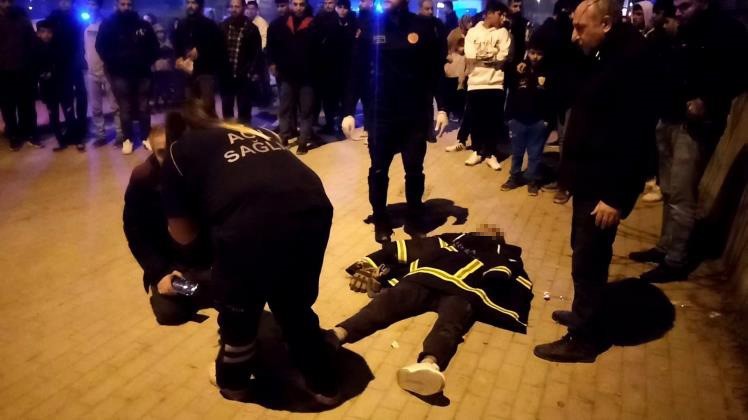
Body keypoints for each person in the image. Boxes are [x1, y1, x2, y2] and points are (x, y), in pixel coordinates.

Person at [159, 101, 340, 405]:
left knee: (238, 309)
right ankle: (324, 385)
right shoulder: (255, 131)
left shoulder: (178, 151)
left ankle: (235, 383)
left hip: (249, 222)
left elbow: (183, 234)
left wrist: (209, 257)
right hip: (313, 207)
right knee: (294, 303)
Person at [533, 0, 654, 363]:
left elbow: (636, 136)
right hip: (591, 179)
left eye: (580, 28)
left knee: (590, 258)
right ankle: (584, 313)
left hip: (606, 186)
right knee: (585, 252)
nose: (575, 36)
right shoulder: (603, 54)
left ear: (606, 24)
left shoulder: (631, 61)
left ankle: (585, 338)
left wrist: (616, 197)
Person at [630, 0, 748, 283]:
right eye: (677, 7)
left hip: (696, 125)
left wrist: (708, 101)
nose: (678, 12)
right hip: (669, 115)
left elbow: (738, 76)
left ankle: (676, 260)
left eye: (685, 6)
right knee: (669, 190)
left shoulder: (727, 30)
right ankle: (665, 246)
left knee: (682, 194)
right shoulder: (684, 30)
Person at [331, 231, 532, 396]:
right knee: (388, 304)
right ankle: (337, 334)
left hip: (461, 291)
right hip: (431, 281)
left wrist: (497, 275)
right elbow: (401, 249)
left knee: (449, 323)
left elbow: (505, 275)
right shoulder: (452, 241)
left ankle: (428, 366)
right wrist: (367, 267)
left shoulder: (505, 256)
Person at [341, 0, 449, 243]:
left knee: (414, 169)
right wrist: (348, 110)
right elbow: (356, 71)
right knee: (379, 169)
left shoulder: (423, 26)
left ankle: (415, 218)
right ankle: (381, 219)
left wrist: (442, 107)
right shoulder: (369, 26)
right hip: (381, 112)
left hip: (414, 113)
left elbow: (434, 71)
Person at [123, 124, 214, 326]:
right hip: (173, 263)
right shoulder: (143, 180)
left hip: (207, 258)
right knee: (168, 312)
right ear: (152, 151)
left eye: (175, 149)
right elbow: (136, 234)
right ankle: (202, 291)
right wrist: (160, 273)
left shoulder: (203, 171)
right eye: (162, 152)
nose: (170, 158)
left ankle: (207, 290)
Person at [96, 0, 159, 154]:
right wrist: (115, 63)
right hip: (120, 74)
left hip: (142, 73)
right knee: (125, 108)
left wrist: (146, 61)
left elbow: (154, 46)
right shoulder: (108, 25)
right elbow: (101, 47)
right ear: (117, 5)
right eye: (122, 4)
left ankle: (146, 137)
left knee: (144, 107)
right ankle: (127, 139)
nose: (126, 7)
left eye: (129, 4)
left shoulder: (143, 25)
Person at [502, 34, 553, 196]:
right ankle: (514, 177)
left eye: (539, 53)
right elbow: (511, 93)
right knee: (517, 152)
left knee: (535, 154)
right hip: (518, 119)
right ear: (527, 52)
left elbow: (551, 98)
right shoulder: (519, 70)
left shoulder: (548, 72)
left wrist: (547, 120)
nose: (535, 57)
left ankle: (533, 180)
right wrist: (509, 117)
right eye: (532, 53)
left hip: (538, 121)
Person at [462, 0, 511, 171]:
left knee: (493, 120)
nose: (503, 18)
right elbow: (470, 57)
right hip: (475, 83)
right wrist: (491, 57)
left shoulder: (503, 32)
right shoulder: (472, 32)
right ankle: (477, 150)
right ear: (490, 13)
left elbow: (503, 57)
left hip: (495, 83)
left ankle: (490, 153)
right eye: (500, 14)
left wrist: (483, 59)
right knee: (476, 119)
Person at [267, 0, 318, 154]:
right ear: (290, 4)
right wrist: (272, 63)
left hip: (307, 76)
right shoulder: (279, 24)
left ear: (305, 5)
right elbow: (271, 46)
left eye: (301, 4)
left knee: (306, 111)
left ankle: (303, 142)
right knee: (284, 108)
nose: (298, 8)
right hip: (287, 75)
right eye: (295, 4)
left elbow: (320, 51)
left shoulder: (314, 24)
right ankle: (284, 136)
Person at [47, 0, 88, 150]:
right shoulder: (52, 18)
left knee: (81, 98)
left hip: (76, 64)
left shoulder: (78, 17)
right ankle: (71, 133)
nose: (65, 3)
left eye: (68, 1)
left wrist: (81, 60)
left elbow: (82, 41)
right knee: (67, 101)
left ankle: (80, 131)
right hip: (60, 67)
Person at [173, 0, 226, 117]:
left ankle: (211, 128)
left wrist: (200, 51)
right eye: (188, 3)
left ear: (200, 5)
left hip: (205, 71)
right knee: (190, 106)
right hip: (187, 71)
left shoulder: (209, 25)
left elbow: (218, 47)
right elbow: (177, 44)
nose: (190, 6)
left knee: (207, 106)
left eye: (193, 3)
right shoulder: (181, 24)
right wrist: (179, 58)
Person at [0, 0, 40, 151]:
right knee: (8, 107)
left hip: (24, 69)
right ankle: (14, 135)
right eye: (3, 1)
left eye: (9, 1)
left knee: (27, 105)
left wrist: (32, 66)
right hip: (4, 72)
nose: (7, 5)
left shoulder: (22, 19)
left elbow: (32, 44)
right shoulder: (21, 19)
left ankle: (29, 134)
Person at [316, 0, 356, 140]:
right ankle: (329, 123)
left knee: (345, 100)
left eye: (345, 8)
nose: (342, 10)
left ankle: (341, 126)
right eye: (340, 7)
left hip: (346, 68)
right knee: (329, 99)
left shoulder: (353, 21)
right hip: (330, 68)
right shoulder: (327, 21)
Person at [85, 0, 123, 148]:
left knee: (115, 105)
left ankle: (120, 134)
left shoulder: (107, 24)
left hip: (107, 70)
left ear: (99, 6)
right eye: (89, 4)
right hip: (90, 71)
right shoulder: (83, 25)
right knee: (95, 107)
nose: (91, 7)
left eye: (94, 4)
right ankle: (100, 135)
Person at [219, 0, 262, 124]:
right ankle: (228, 132)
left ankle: (244, 132)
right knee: (227, 109)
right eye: (231, 6)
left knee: (244, 110)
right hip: (226, 75)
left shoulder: (252, 29)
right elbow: (217, 50)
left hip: (243, 75)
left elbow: (256, 53)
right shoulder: (222, 26)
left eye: (237, 6)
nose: (233, 9)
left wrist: (251, 72)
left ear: (243, 8)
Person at [444, 14, 474, 153]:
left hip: (466, 66)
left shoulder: (472, 34)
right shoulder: (455, 33)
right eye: (468, 22)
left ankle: (459, 117)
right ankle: (451, 113)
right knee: (454, 90)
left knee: (462, 93)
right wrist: (453, 52)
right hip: (455, 65)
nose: (470, 24)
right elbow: (448, 47)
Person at [34, 20, 64, 150]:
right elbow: (34, 67)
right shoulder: (35, 49)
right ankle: (59, 138)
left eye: (49, 32)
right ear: (38, 34)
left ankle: (69, 137)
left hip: (60, 84)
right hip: (47, 86)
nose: (46, 35)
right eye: (43, 32)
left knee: (66, 110)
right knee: (53, 113)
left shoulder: (57, 47)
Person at [152, 23, 177, 111]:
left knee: (166, 86)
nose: (161, 34)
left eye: (162, 31)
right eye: (158, 32)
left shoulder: (168, 42)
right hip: (157, 69)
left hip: (167, 68)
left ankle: (166, 103)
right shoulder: (153, 43)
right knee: (157, 87)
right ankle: (156, 103)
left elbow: (173, 54)